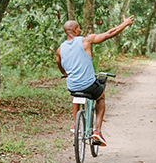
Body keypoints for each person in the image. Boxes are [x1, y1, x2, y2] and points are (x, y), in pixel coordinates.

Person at [56, 15, 134, 146]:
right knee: (101, 97)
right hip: (88, 85)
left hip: (72, 86)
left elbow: (59, 64)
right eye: (79, 29)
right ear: (74, 30)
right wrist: (125, 24)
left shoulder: (60, 49)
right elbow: (109, 34)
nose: (80, 31)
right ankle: (97, 131)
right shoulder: (85, 41)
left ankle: (76, 124)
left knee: (75, 93)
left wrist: (65, 73)